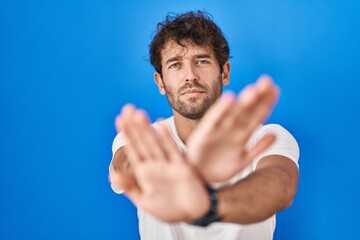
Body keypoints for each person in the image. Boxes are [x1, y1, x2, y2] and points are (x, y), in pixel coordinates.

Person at [108, 11, 299, 240]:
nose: (190, 76)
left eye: (201, 61)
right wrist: (182, 170)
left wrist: (206, 205)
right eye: (175, 65)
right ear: (160, 82)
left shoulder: (268, 137)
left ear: (224, 72)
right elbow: (124, 166)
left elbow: (280, 187)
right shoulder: (142, 138)